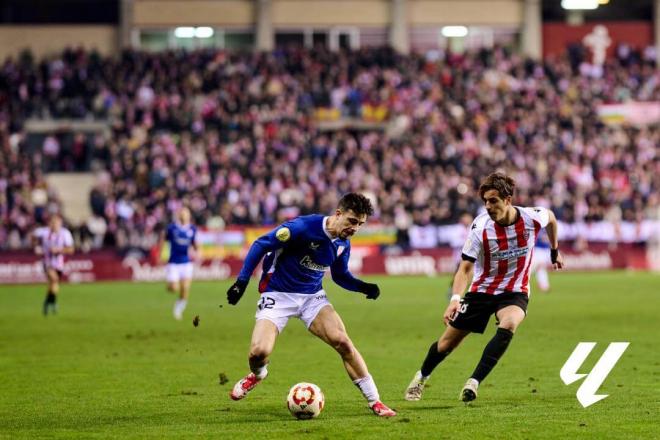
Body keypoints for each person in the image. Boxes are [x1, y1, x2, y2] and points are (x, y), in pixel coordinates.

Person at [225, 193, 396, 417]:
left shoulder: (343, 244)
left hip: (312, 298)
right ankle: (257, 374)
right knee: (259, 352)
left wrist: (362, 287)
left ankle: (376, 402)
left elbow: (340, 275)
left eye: (360, 224)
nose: (355, 228)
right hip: (278, 294)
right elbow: (261, 243)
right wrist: (242, 281)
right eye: (352, 221)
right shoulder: (303, 227)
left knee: (343, 342)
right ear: (338, 214)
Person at [404, 173, 564, 403]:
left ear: (508, 200)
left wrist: (554, 250)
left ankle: (474, 382)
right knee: (447, 344)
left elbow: (551, 219)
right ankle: (420, 378)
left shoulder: (532, 217)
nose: (488, 206)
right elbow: (465, 269)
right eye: (485, 202)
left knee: (509, 323)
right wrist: (455, 298)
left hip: (515, 290)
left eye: (493, 200)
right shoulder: (480, 228)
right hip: (482, 291)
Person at [160, 207, 197, 320]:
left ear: (189, 216)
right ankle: (169, 285)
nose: (184, 215)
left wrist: (198, 251)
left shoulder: (192, 229)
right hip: (174, 262)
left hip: (186, 262)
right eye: (182, 213)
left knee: (185, 288)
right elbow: (164, 240)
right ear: (179, 215)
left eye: (186, 213)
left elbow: (194, 243)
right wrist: (161, 254)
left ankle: (179, 308)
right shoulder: (172, 228)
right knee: (173, 288)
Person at [33, 214, 74, 315]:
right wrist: (36, 247)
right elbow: (33, 237)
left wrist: (59, 250)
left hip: (59, 264)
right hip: (47, 262)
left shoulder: (65, 233)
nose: (54, 224)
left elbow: (71, 249)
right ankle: (50, 302)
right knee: (54, 279)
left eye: (57, 222)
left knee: (54, 284)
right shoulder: (43, 232)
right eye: (53, 222)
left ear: (60, 223)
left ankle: (49, 302)